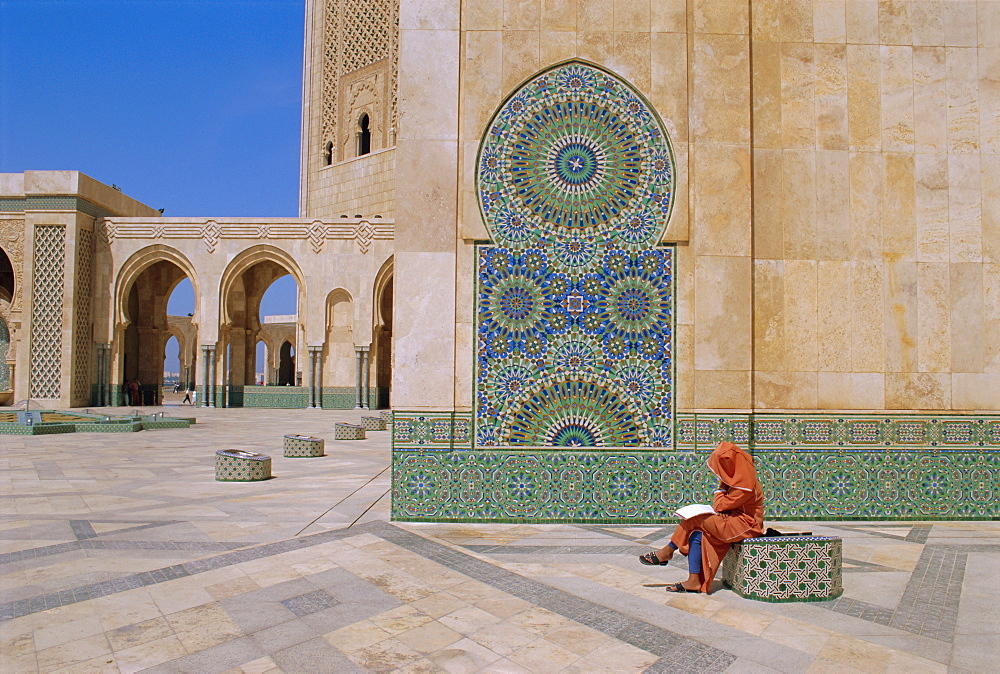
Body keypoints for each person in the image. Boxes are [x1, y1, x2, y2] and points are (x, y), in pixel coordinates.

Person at [638, 441, 764, 593]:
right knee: (697, 534)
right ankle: (694, 581)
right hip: (732, 521)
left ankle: (667, 551)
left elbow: (719, 505)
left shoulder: (745, 486)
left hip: (746, 526)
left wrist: (721, 487)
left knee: (695, 519)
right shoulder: (738, 480)